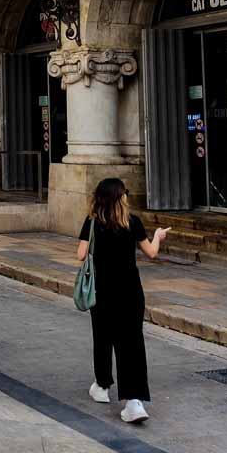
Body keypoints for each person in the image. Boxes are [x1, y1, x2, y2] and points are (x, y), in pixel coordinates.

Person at [76, 178, 169, 424]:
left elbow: (81, 254)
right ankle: (134, 401)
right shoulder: (133, 222)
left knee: (103, 337)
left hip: (102, 292)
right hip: (130, 292)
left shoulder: (93, 222)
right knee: (132, 343)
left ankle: (102, 386)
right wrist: (158, 236)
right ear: (120, 197)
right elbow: (151, 252)